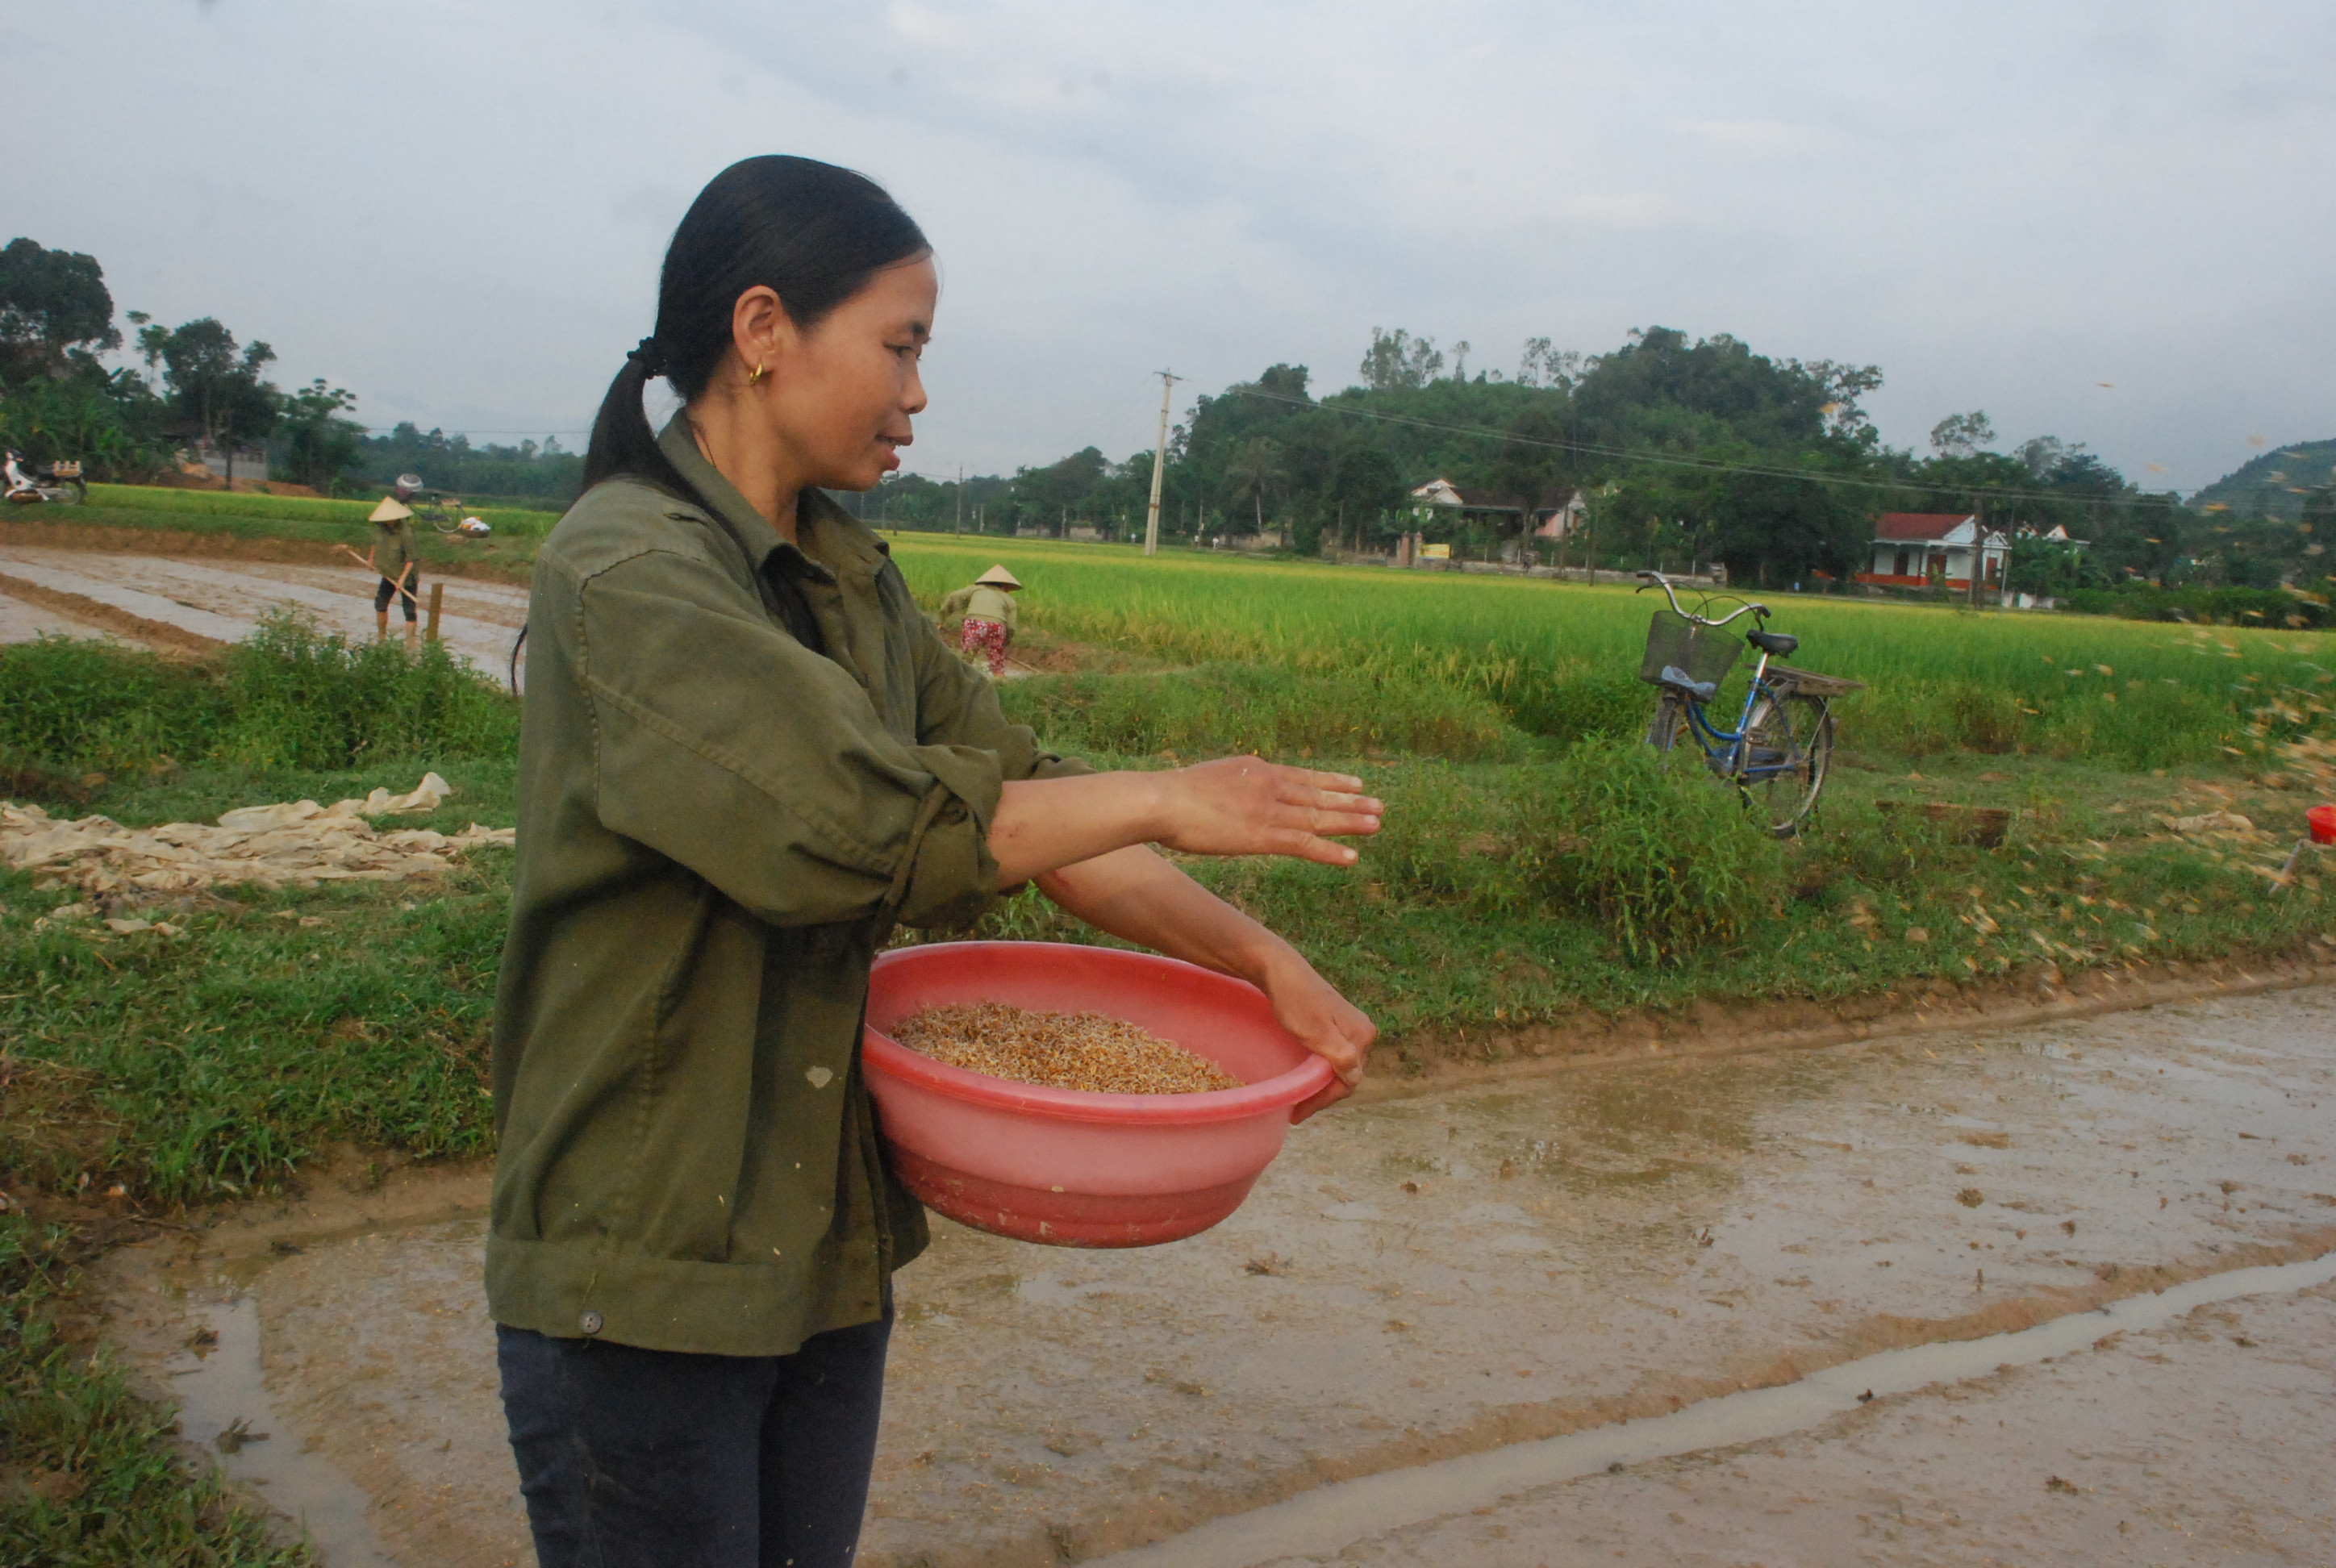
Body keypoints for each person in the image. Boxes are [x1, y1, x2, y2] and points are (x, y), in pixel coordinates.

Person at [486, 155, 1384, 1568]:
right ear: (765, 327)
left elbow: (1027, 804)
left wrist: (1267, 960)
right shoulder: (628, 572)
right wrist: (1172, 791)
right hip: (645, 1260)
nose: (916, 392)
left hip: (820, 1239)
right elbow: (872, 834)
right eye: (899, 347)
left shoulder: (851, 573)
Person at [343, 495, 419, 646]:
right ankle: (382, 637)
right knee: (380, 604)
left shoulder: (406, 534)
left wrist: (402, 580)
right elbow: (376, 544)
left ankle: (410, 641)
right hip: (388, 574)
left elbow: (411, 559)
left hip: (407, 576)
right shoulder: (381, 530)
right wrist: (371, 560)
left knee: (409, 611)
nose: (387, 522)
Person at [938, 562, 1020, 677]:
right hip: (997, 627)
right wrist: (1004, 643)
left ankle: (960, 681)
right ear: (1004, 585)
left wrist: (940, 619)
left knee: (966, 659)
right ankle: (1000, 683)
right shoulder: (1008, 599)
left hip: (975, 624)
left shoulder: (976, 589)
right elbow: (1011, 627)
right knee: (997, 664)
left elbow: (953, 598)